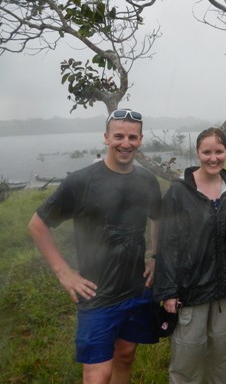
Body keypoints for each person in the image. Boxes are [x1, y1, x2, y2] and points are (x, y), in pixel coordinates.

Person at [27, 109, 161, 384]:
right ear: (106, 138)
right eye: (119, 136)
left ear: (141, 139)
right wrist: (63, 272)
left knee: (125, 354)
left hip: (136, 286)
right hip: (97, 293)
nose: (126, 143)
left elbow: (157, 217)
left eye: (132, 137)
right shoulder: (80, 181)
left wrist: (155, 256)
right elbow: (38, 225)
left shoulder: (146, 180)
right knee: (98, 373)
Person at [154, 127, 226, 384]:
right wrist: (169, 291)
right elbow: (168, 243)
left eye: (219, 151)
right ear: (197, 153)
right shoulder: (179, 192)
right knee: (187, 359)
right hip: (190, 290)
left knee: (223, 359)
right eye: (207, 152)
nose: (213, 158)